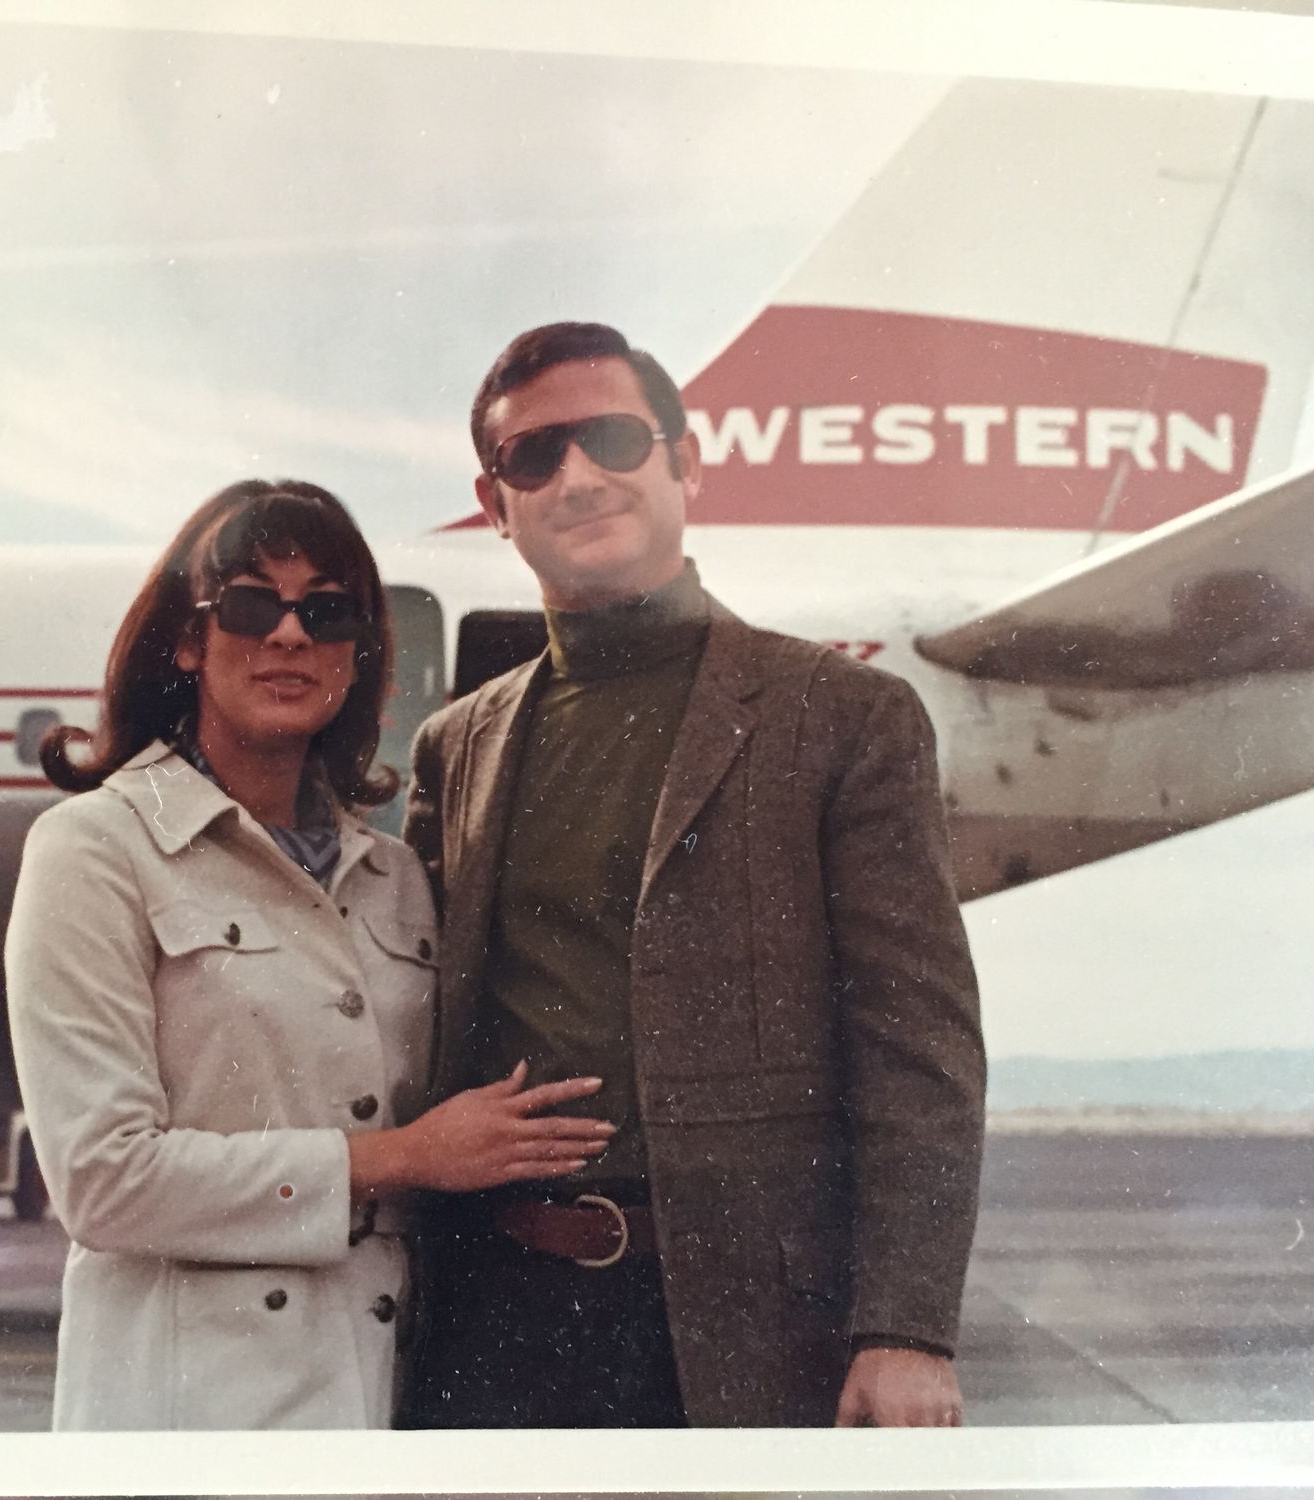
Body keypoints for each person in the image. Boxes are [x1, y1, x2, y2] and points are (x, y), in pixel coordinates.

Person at [399, 324, 987, 1429]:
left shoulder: (843, 718)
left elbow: (918, 1048)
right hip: (495, 1324)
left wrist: (906, 1328)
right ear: (495, 502)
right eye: (534, 457)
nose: (576, 476)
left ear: (684, 461)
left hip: (741, 1332)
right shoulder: (458, 744)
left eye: (612, 438)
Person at [3, 478, 614, 1430]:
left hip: (376, 1411)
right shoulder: (97, 848)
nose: (290, 635)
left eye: (325, 612)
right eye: (251, 603)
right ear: (188, 640)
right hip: (190, 1423)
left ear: (356, 655)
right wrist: (403, 1158)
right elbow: (102, 1183)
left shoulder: (396, 877)